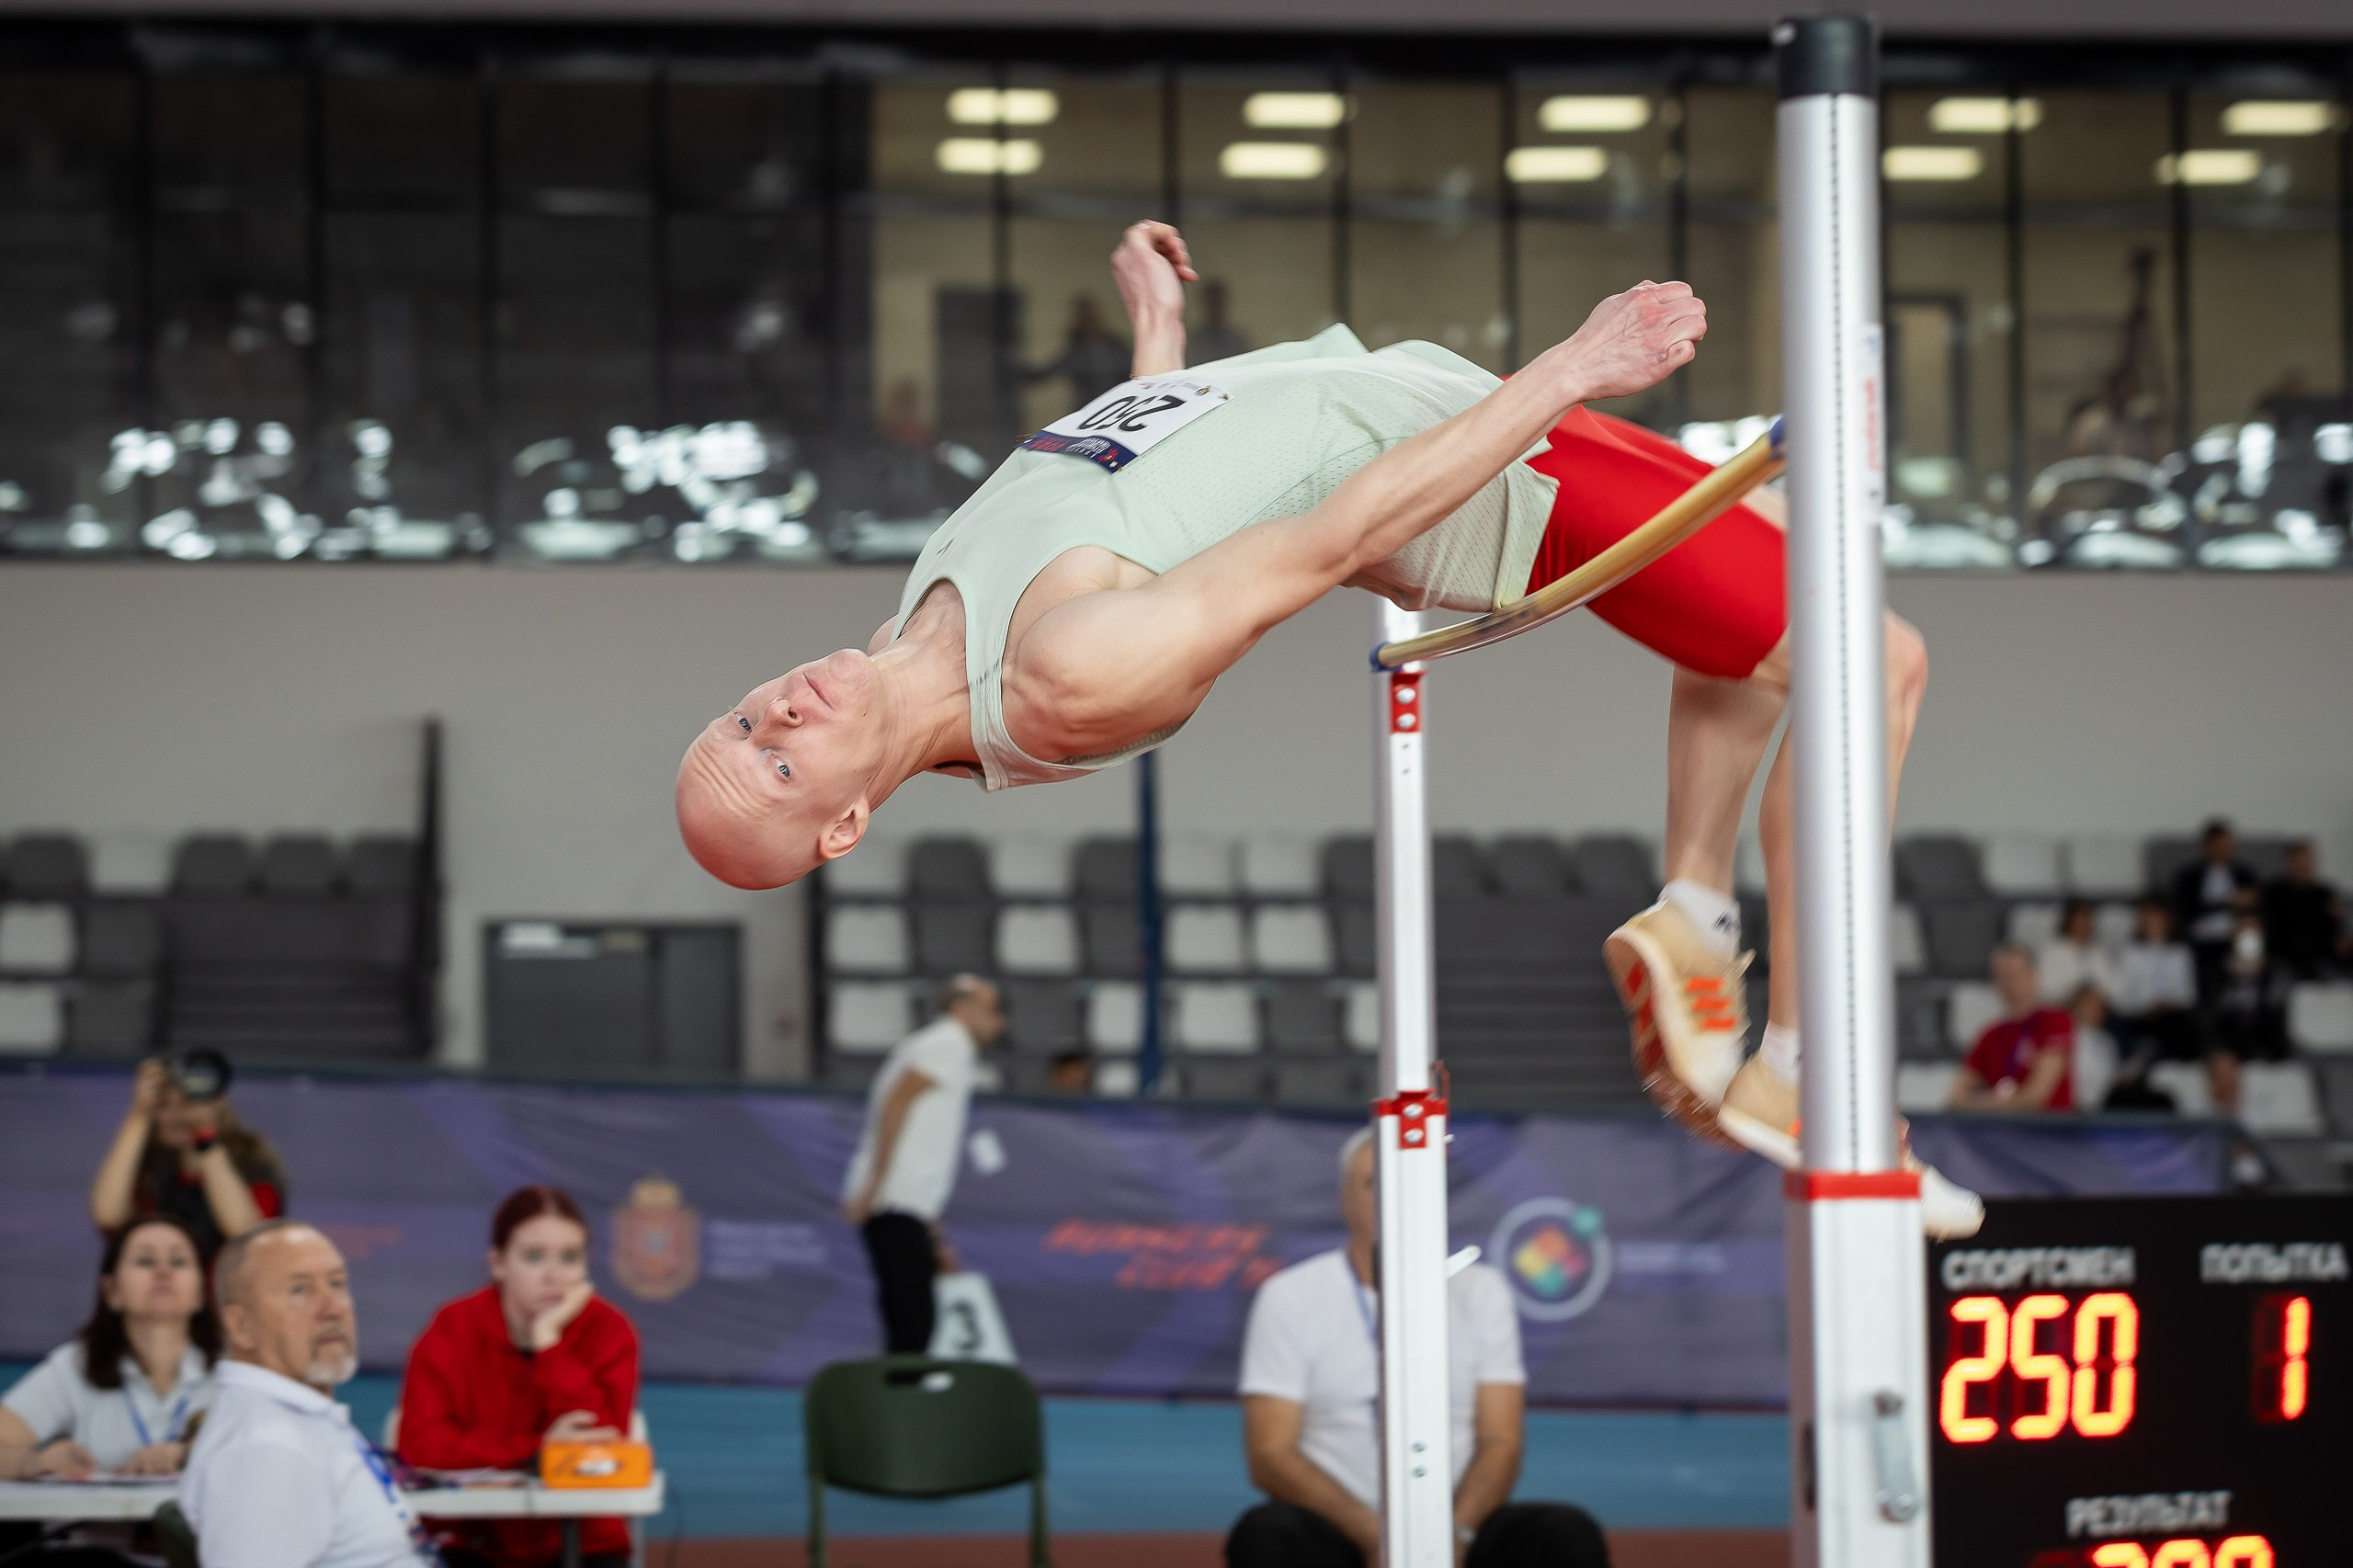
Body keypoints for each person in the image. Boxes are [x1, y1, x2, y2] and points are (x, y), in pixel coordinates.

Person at [676, 220, 1978, 1235]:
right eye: (778, 761)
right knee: (1880, 659)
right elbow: (1329, 537)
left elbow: (1159, 497)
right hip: (1498, 474)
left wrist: (1158, 338)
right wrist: (1576, 364)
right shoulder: (1062, 676)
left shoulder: (926, 611)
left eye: (742, 718)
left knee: (1760, 633)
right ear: (846, 821)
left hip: (1436, 410)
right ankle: (1802, 1063)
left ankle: (1696, 905)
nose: (776, 708)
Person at [1228, 1129, 1609, 1568]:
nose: (1392, 1198)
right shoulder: (1291, 1295)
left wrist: (1453, 1537)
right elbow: (1271, 1453)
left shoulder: (1482, 1292)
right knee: (1267, 1534)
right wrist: (1373, 1535)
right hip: (1341, 1529)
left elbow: (1500, 1438)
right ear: (1344, 1197)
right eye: (1374, 1183)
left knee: (1564, 1533)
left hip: (1457, 1528)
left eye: (1406, 1183)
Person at [398, 1186, 640, 1568]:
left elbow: (602, 1447)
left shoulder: (611, 1330)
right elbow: (421, 1447)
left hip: (585, 1546)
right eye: (533, 1256)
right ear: (498, 1263)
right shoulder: (452, 1327)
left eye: (570, 1258)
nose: (554, 1275)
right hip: (471, 1543)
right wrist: (534, 1453)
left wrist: (550, 1343)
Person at [178, 1221, 434, 1568]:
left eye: (337, 1284)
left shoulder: (292, 1419)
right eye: (300, 1290)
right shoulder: (265, 1448)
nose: (333, 1308)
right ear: (241, 1326)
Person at [840, 974, 1006, 1353]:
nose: (999, 1021)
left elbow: (920, 1139)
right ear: (960, 1009)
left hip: (904, 1201)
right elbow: (898, 1101)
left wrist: (934, 1234)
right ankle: (901, 1401)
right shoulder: (948, 1043)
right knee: (912, 1320)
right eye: (991, 1010)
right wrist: (876, 1183)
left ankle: (900, 1398)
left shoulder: (940, 1045)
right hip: (893, 1199)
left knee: (911, 1315)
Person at [0, 1217, 219, 1481]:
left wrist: (186, 1454)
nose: (163, 1272)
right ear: (111, 1290)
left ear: (201, 1294)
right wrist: (36, 1462)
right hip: (95, 1521)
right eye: (145, 1261)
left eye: (178, 1262)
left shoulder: (234, 1367)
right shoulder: (76, 1364)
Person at [90, 1055, 286, 1265]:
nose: (176, 1115)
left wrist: (204, 1135)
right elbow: (107, 1215)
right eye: (163, 1104)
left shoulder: (252, 1165)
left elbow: (246, 1234)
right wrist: (139, 1114)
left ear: (216, 1102)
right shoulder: (147, 1169)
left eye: (187, 1101)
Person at [1949, 945, 2075, 1111]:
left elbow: (2037, 1096)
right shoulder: (1990, 1034)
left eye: (2014, 974)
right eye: (2001, 976)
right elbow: (1954, 1098)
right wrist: (1994, 1103)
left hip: (2049, 1133)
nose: (2008, 983)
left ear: (2033, 976)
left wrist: (1982, 1104)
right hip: (2000, 1133)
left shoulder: (2055, 1021)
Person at [2169, 819, 2260, 1014]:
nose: (2223, 850)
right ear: (2206, 846)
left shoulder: (2245, 875)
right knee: (2208, 973)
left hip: (2238, 937)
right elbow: (2185, 910)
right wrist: (2227, 902)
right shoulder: (2189, 877)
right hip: (2202, 939)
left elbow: (2259, 908)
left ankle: (2248, 1002)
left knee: (2252, 942)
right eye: (2218, 845)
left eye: (2227, 845)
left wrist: (2246, 916)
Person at [2264, 840, 2347, 981]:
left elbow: (2336, 928)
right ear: (2289, 863)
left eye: (2307, 862)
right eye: (2299, 862)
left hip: (2320, 952)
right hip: (2283, 951)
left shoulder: (2324, 893)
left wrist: (2340, 931)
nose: (2303, 867)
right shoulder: (2274, 891)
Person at [2036, 899, 2117, 1006]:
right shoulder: (2052, 952)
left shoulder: (2099, 953)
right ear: (2069, 924)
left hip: (2098, 1009)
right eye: (2079, 924)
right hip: (2065, 1007)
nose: (2083, 928)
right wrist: (2075, 993)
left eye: (2086, 923)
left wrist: (2093, 994)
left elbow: (2112, 988)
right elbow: (2045, 990)